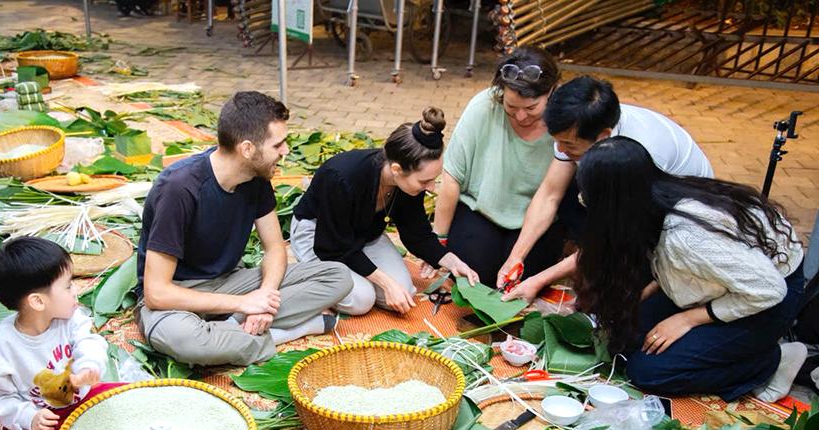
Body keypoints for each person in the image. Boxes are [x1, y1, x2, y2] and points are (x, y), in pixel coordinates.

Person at [574, 136, 805, 402]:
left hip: (769, 298)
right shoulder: (649, 202)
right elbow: (684, 265)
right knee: (623, 339)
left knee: (648, 372)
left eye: (589, 196)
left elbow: (769, 289)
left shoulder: (686, 236)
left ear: (614, 204)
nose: (582, 199)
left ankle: (772, 361)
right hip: (724, 284)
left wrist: (689, 318)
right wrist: (650, 291)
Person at [137, 91, 352, 366]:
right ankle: (283, 332)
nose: (285, 152)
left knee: (338, 276)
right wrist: (243, 304)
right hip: (177, 295)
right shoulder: (179, 188)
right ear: (248, 148)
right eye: (278, 145)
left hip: (229, 281)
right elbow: (157, 293)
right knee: (186, 341)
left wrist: (265, 298)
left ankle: (236, 330)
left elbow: (275, 247)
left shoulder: (256, 177)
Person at [500, 75, 714, 302]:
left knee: (616, 286)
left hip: (673, 216)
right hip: (619, 193)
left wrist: (539, 280)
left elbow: (612, 236)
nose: (560, 149)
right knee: (568, 193)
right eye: (557, 141)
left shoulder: (639, 155)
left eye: (569, 144)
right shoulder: (583, 129)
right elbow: (550, 194)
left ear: (604, 136)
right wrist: (516, 257)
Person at [290, 107, 479, 315]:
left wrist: (452, 262)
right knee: (361, 300)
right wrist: (386, 283)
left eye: (434, 179)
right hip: (321, 237)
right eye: (425, 181)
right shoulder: (342, 177)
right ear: (397, 169)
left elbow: (416, 233)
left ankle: (350, 279)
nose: (432, 187)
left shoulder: (406, 184)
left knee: (404, 292)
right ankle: (305, 281)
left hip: (364, 236)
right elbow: (335, 246)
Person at [0, 237, 122, 430]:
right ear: (37, 301)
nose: (76, 291)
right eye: (68, 285)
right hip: (46, 414)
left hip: (81, 398)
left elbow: (90, 342)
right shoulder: (1, 349)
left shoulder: (70, 318)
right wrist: (30, 417)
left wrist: (89, 366)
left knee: (125, 398)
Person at [430, 46, 562, 285]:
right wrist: (437, 243)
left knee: (521, 280)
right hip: (480, 210)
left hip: (536, 219)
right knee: (473, 274)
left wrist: (516, 257)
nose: (521, 116)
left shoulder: (563, 121)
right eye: (511, 107)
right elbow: (452, 177)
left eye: (531, 108)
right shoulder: (484, 105)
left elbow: (551, 197)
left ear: (551, 92)